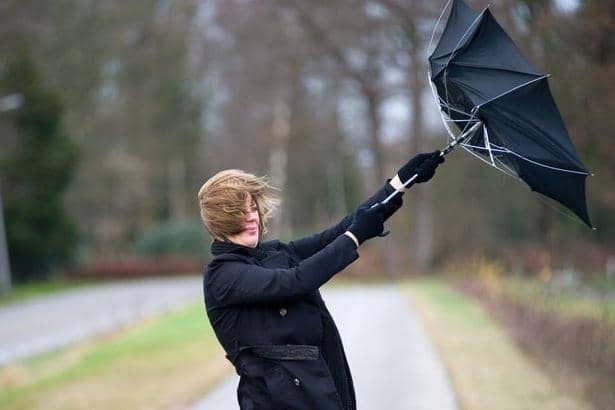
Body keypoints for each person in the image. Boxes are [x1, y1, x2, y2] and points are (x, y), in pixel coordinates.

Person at [198, 151, 444, 410]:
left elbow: (337, 233)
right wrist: (354, 237)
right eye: (240, 212)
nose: (252, 218)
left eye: (253, 209)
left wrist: (398, 184)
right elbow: (295, 282)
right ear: (220, 221)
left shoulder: (273, 253)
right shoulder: (222, 274)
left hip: (319, 390)